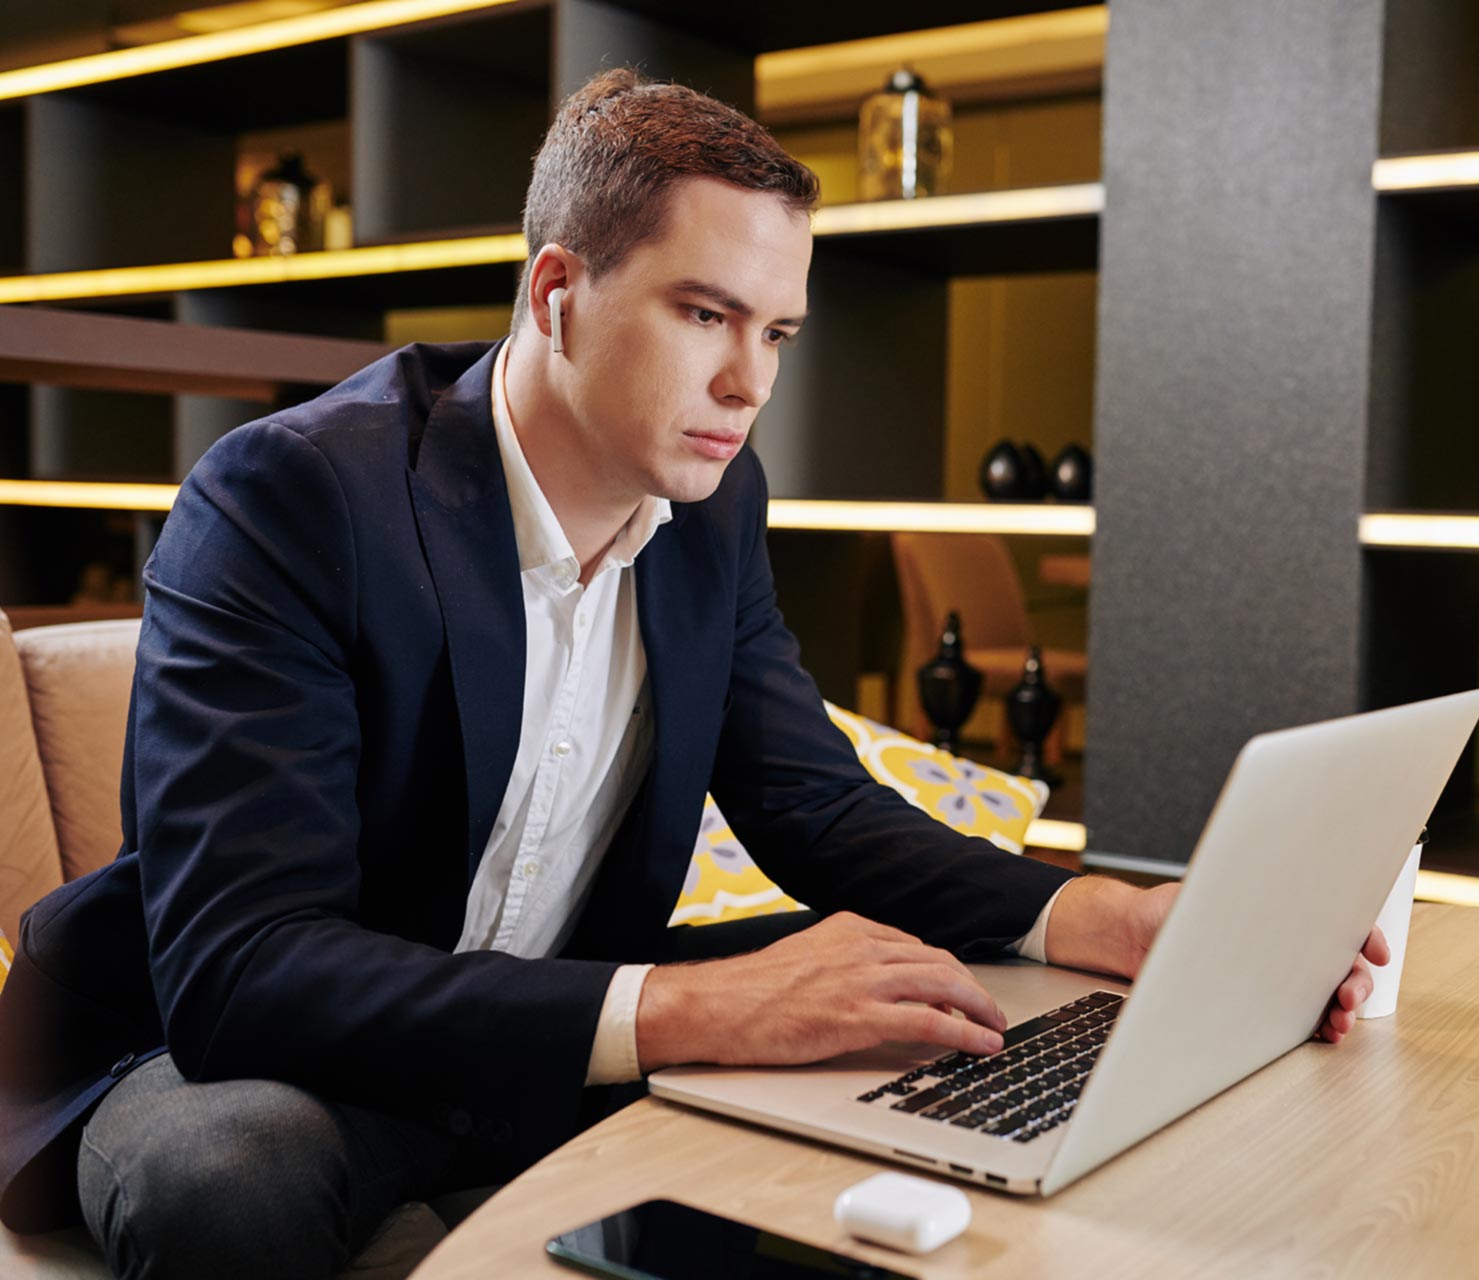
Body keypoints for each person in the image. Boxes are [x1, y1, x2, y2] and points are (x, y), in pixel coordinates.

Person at [0, 71, 1387, 1278]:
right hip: (251, 1043)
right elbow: (250, 968)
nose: (750, 382)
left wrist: (1113, 920)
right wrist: (687, 1011)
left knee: (922, 999)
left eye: (776, 332)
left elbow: (821, 814)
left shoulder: (713, 510)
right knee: (226, 1173)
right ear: (558, 293)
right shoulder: (291, 499)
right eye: (707, 315)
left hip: (540, 999)